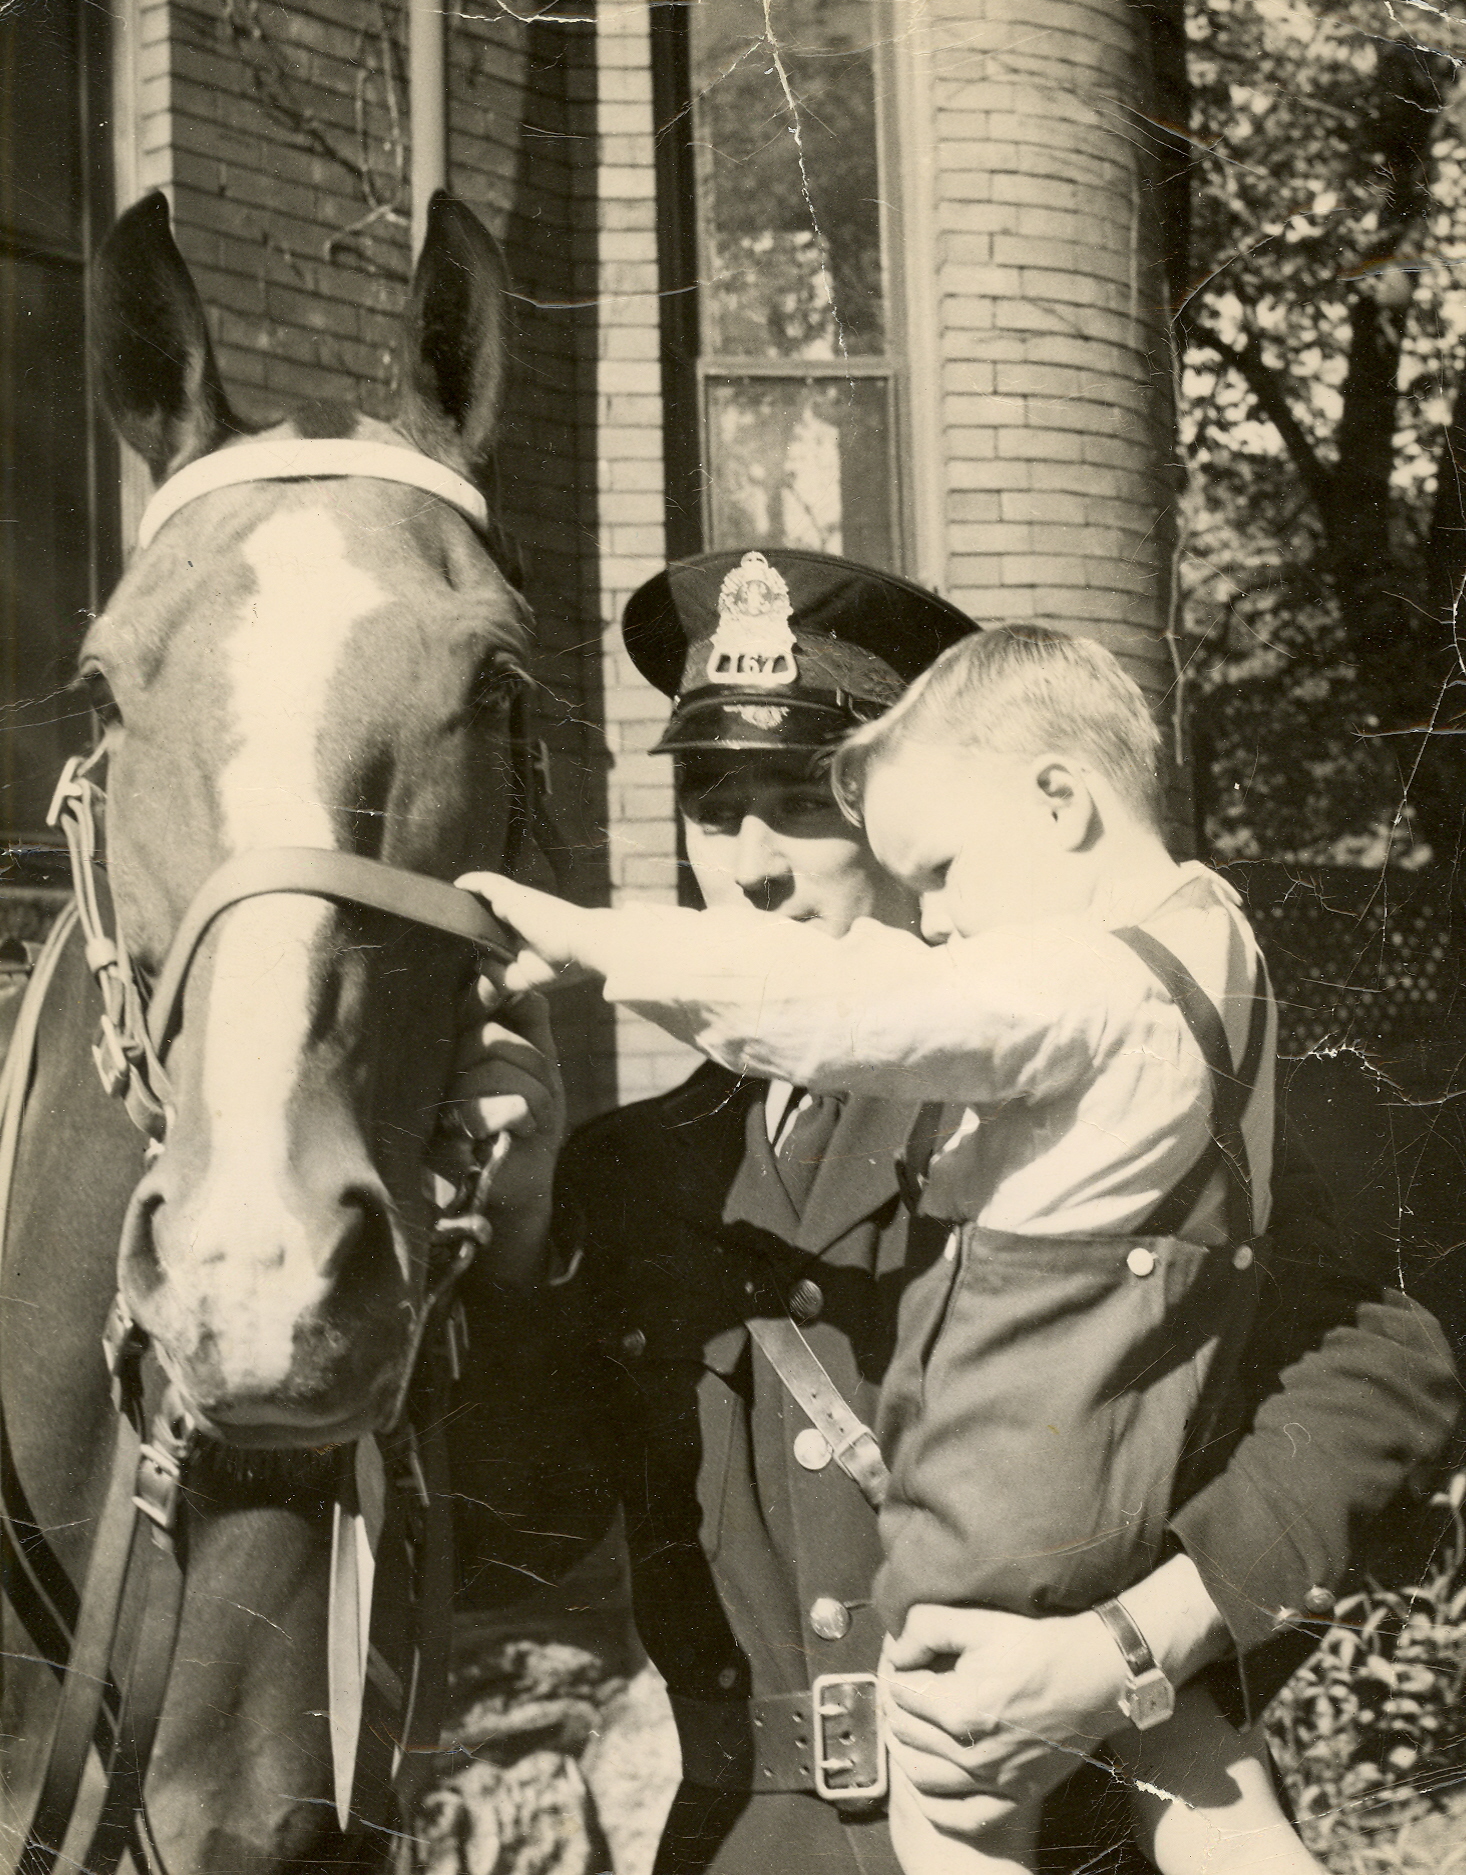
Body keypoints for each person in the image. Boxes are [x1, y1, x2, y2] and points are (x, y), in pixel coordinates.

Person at [442, 548, 1460, 1875]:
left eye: (804, 802)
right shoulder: (626, 1168)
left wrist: (1132, 1648)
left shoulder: (1088, 1088)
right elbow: (512, 1553)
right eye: (709, 803)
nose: (747, 868)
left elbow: (1384, 1367)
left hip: (1072, 1820)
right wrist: (512, 1244)